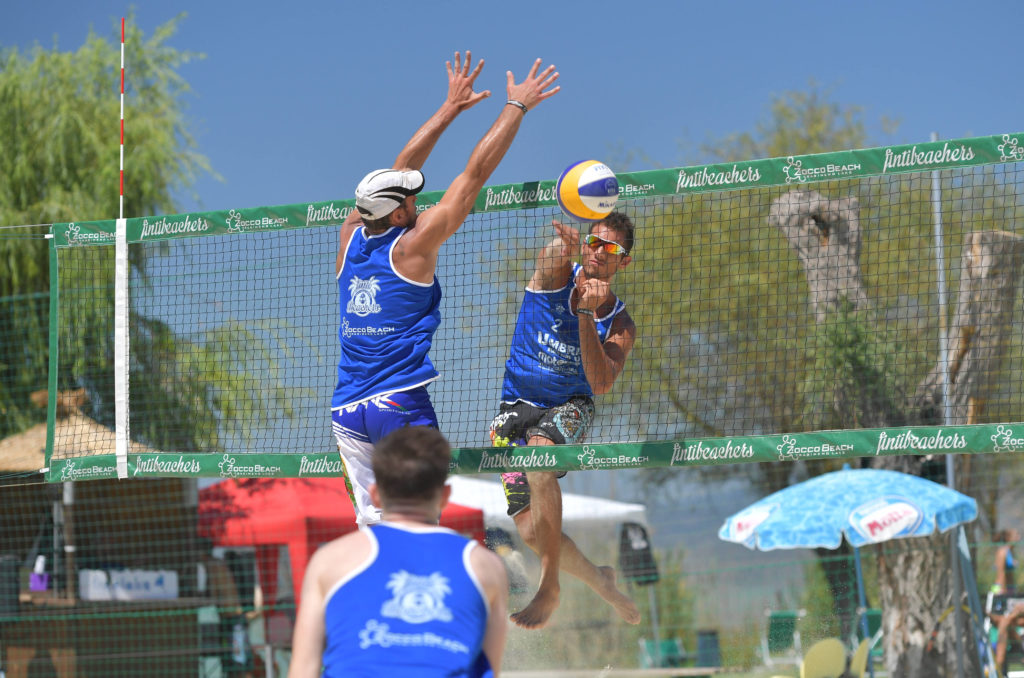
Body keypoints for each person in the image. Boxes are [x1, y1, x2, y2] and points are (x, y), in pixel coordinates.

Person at [332, 52, 560, 526]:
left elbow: (398, 170)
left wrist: (450, 108)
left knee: (375, 528)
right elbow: (472, 177)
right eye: (411, 200)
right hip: (398, 401)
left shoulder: (351, 231)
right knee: (419, 522)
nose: (417, 201)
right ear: (397, 215)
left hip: (347, 411)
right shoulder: (414, 246)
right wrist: (514, 107)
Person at [489, 213, 641, 629]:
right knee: (532, 532)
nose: (597, 252)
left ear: (623, 261)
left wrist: (587, 315)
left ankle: (549, 585)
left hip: (569, 405)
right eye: (594, 241)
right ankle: (602, 580)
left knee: (541, 456)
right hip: (515, 406)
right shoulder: (559, 270)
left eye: (610, 248)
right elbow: (552, 257)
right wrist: (566, 246)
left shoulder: (621, 324)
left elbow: (601, 383)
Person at [288, 426, 509, 678]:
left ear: (375, 496)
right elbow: (489, 668)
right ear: (445, 496)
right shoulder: (485, 566)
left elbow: (303, 670)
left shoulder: (330, 561)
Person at [992, 528, 1024, 676]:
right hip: (1002, 594)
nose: (1019, 535)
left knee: (1012, 623)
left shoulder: (1010, 551)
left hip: (1009, 594)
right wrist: (1005, 597)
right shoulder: (1003, 552)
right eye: (1016, 533)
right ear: (1008, 537)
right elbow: (1002, 575)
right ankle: (999, 665)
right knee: (1005, 623)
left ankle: (1015, 652)